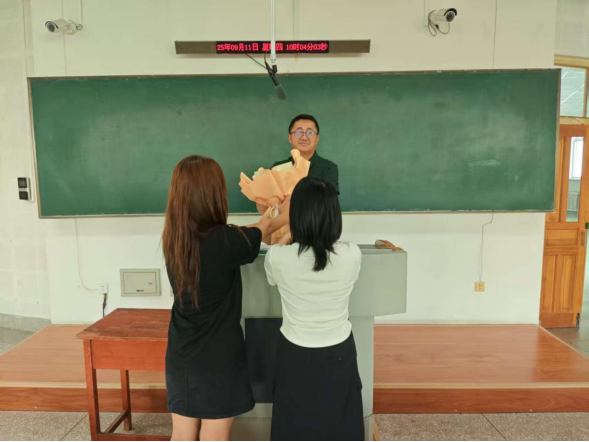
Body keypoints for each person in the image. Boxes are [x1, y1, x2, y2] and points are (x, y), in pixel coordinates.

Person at [163, 155, 290, 442]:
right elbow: (262, 230)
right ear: (214, 195)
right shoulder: (226, 241)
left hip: (181, 352)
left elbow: (254, 231)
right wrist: (286, 210)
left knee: (181, 434)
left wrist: (272, 216)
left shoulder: (175, 238)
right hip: (218, 357)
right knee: (215, 436)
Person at [264, 176, 364, 441]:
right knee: (341, 423)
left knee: (292, 423)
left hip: (294, 353)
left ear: (296, 216)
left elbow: (274, 272)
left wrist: (287, 236)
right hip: (339, 350)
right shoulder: (352, 255)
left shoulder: (278, 258)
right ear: (334, 216)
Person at [257, 114, 339, 215]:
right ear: (290, 138)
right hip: (283, 224)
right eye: (298, 132)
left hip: (315, 223)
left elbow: (327, 202)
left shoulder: (328, 168)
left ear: (317, 139)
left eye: (310, 132)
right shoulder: (278, 168)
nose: (304, 137)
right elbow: (265, 206)